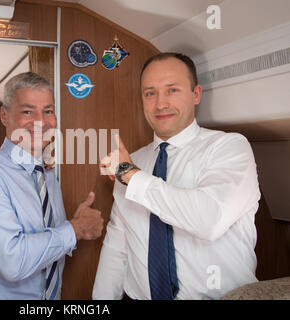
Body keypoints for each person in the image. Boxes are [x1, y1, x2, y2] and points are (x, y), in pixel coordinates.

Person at [94, 52, 260, 300]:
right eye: (150, 93)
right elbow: (118, 246)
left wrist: (132, 176)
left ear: (196, 94)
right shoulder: (132, 162)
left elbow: (210, 219)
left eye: (172, 90)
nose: (160, 104)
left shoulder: (230, 147)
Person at [0, 72, 104, 300]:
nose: (41, 122)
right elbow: (11, 262)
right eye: (28, 111)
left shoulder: (47, 173)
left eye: (48, 111)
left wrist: (72, 226)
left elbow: (50, 243)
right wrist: (75, 229)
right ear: (4, 115)